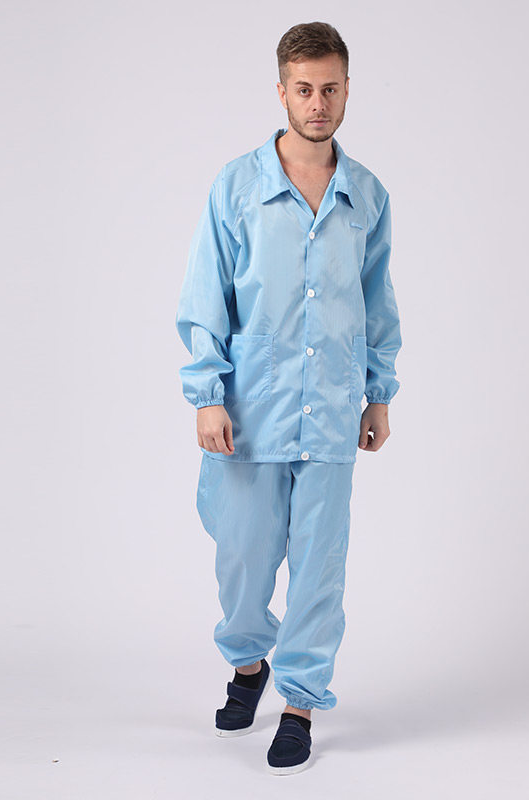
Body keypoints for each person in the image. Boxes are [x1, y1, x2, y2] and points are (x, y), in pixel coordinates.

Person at [175, 21, 402, 775]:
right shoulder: (235, 187)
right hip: (249, 411)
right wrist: (206, 394)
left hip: (333, 409)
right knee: (241, 556)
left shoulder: (367, 195)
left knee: (318, 569)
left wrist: (378, 393)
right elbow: (206, 294)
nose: (318, 103)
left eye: (330, 89)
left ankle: (300, 701)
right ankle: (249, 665)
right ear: (281, 92)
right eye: (304, 89)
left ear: (348, 90)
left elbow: (376, 300)